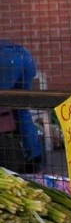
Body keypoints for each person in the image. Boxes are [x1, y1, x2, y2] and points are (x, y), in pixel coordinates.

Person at [0, 40, 42, 173]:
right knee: (21, 108)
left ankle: (7, 159)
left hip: (5, 59)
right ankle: (34, 156)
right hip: (25, 56)